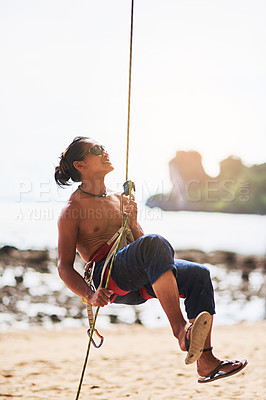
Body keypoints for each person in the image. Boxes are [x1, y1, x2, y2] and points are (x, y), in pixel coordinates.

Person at [55, 136, 247, 383]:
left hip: (139, 278)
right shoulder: (72, 210)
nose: (105, 152)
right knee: (155, 243)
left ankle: (206, 362)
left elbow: (142, 244)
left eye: (103, 147)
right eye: (96, 150)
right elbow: (63, 267)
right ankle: (180, 331)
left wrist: (133, 223)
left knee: (199, 274)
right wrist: (90, 295)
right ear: (80, 165)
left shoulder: (119, 199)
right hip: (111, 279)